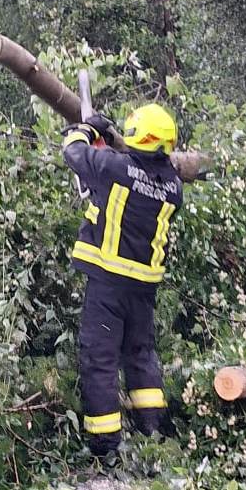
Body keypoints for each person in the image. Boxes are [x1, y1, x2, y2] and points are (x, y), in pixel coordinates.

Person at [62, 102, 182, 464]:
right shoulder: (174, 186)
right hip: (143, 289)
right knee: (140, 356)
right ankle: (152, 432)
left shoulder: (113, 167)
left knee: (99, 358)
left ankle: (105, 446)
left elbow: (71, 149)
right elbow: (138, 178)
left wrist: (89, 127)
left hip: (108, 283)